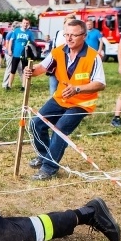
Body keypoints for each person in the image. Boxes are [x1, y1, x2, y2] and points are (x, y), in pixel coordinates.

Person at [24, 19, 106, 181]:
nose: (69, 38)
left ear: (84, 35)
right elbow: (42, 67)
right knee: (36, 123)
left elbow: (100, 83)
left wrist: (77, 88)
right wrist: (31, 71)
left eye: (73, 35)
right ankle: (44, 155)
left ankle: (49, 168)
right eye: (66, 34)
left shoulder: (93, 57)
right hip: (61, 98)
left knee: (60, 129)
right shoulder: (58, 51)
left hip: (81, 103)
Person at [2, 18, 36, 90]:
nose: (25, 25)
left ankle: (23, 86)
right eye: (24, 23)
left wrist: (28, 45)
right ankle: (9, 85)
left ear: (28, 24)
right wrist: (9, 50)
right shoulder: (16, 31)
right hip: (16, 53)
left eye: (27, 23)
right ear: (21, 23)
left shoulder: (29, 33)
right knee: (13, 70)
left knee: (24, 70)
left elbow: (32, 42)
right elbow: (11, 40)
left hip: (24, 54)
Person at [49, 13, 77, 96]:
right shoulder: (58, 33)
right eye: (68, 23)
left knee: (66, 91)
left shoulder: (76, 36)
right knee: (53, 90)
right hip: (56, 64)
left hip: (69, 66)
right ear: (64, 24)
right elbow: (53, 48)